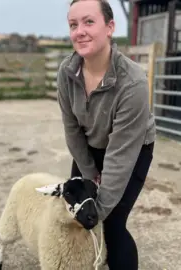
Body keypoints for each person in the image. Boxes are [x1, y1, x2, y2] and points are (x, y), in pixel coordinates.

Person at [56, 0, 156, 269]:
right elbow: (72, 129)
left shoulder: (132, 82)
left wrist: (95, 211)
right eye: (73, 25)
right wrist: (88, 173)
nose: (80, 31)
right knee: (77, 214)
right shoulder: (67, 73)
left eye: (89, 22)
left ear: (110, 27)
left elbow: (120, 154)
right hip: (88, 146)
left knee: (110, 223)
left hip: (132, 150)